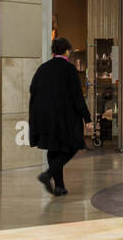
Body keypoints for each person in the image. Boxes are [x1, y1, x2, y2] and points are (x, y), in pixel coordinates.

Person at [28, 37, 91, 197]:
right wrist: (87, 118)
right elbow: (77, 96)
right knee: (74, 145)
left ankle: (59, 186)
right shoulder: (69, 69)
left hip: (43, 117)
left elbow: (32, 90)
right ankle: (48, 174)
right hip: (63, 118)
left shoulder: (43, 68)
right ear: (67, 51)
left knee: (53, 148)